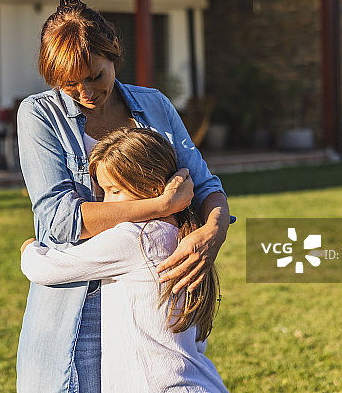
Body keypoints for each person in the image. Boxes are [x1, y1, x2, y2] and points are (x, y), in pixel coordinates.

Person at [16, 0, 231, 392]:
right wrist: (161, 206)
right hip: (74, 306)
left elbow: (205, 186)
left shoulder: (154, 105)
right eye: (69, 83)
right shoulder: (38, 115)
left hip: (146, 301)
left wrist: (213, 232)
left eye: (95, 76)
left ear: (112, 53)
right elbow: (61, 221)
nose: (85, 92)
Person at [21, 127, 228, 392]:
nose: (107, 202)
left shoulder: (134, 238)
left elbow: (47, 268)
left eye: (115, 191)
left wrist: (29, 248)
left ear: (154, 190)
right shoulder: (184, 238)